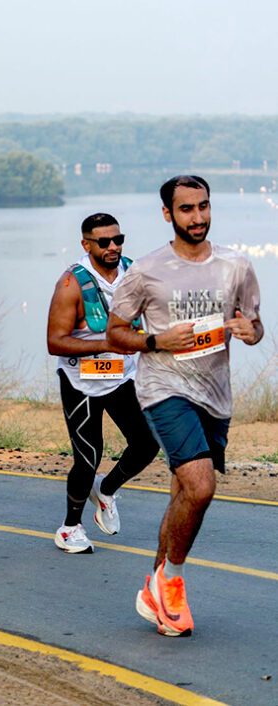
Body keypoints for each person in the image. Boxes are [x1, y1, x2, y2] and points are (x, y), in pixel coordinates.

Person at [108, 175, 262, 637]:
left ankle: (155, 588)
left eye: (204, 207)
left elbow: (254, 325)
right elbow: (116, 333)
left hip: (215, 395)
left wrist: (252, 332)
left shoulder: (236, 266)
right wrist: (155, 339)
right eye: (187, 209)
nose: (198, 217)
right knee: (200, 486)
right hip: (163, 388)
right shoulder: (147, 270)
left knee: (182, 493)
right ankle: (172, 581)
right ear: (167, 214)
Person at [46, 213, 160, 554]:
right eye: (104, 242)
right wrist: (106, 344)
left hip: (122, 376)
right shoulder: (71, 284)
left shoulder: (134, 272)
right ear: (86, 244)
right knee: (88, 455)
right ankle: (69, 528)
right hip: (82, 381)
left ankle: (106, 490)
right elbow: (55, 341)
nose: (113, 247)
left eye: (118, 239)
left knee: (147, 442)